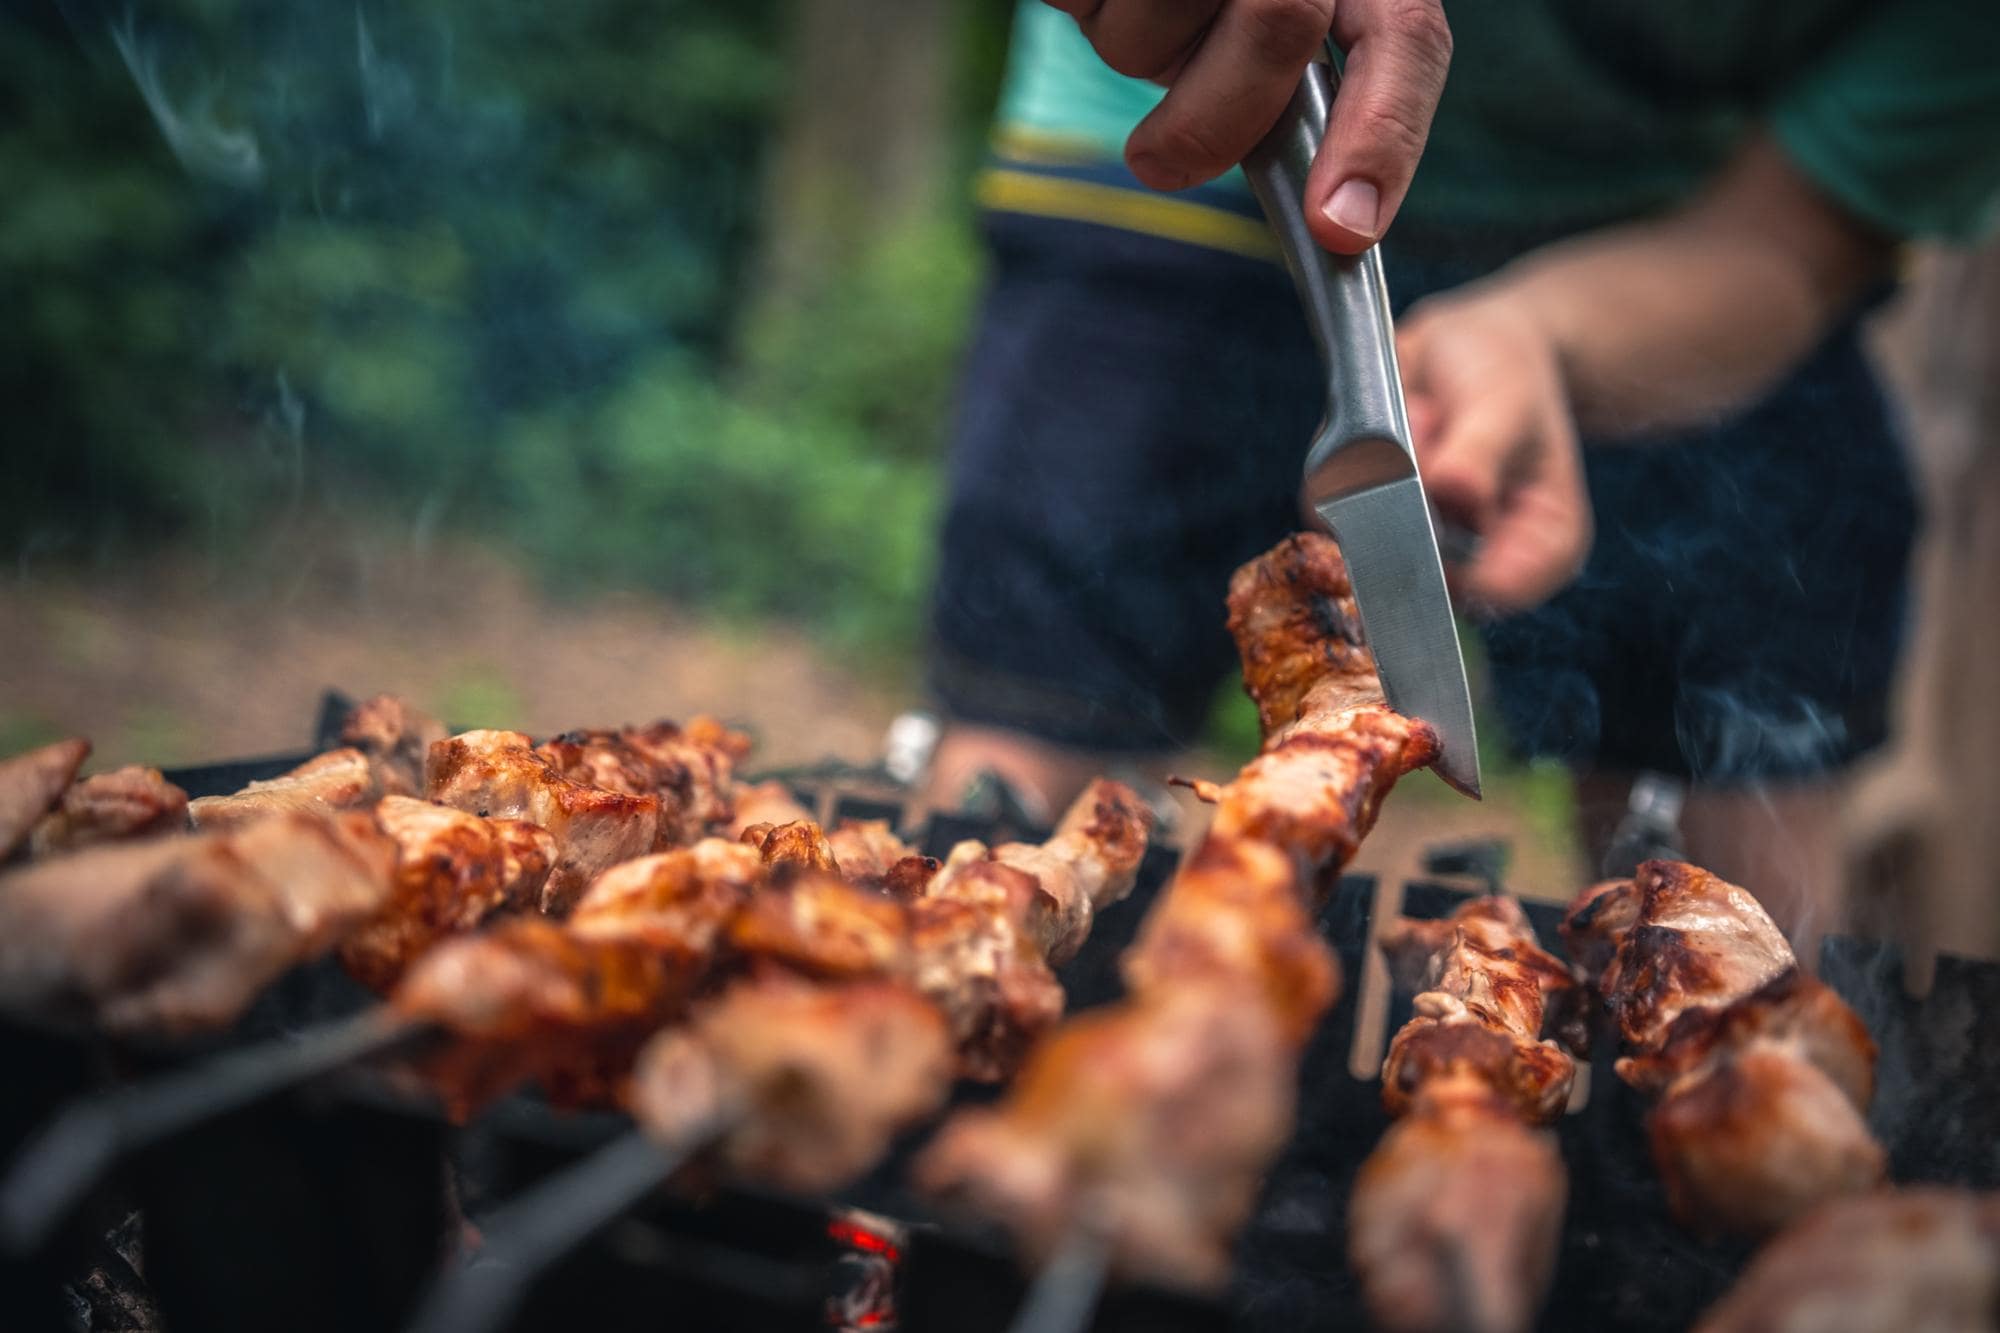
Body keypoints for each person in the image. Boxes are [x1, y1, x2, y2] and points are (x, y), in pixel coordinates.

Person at [921, 0, 2000, 937]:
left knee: (1734, 816)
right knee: (1024, 737)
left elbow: (1788, 242)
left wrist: (1534, 333)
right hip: (1177, 109)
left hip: (1677, 213)